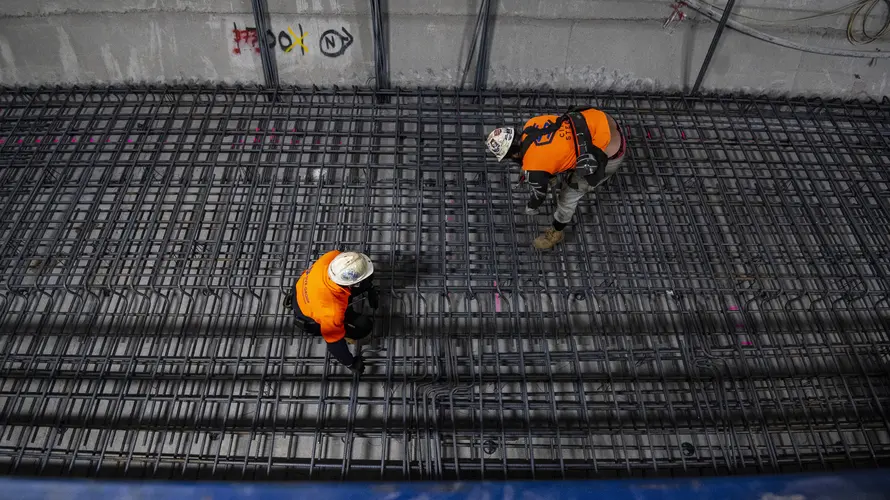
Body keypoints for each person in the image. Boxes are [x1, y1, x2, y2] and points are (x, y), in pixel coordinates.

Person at [485, 107, 627, 250]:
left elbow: (539, 195)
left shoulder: (534, 168)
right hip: (604, 121)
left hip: (611, 154)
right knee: (564, 154)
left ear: (514, 155)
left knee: (568, 196)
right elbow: (553, 145)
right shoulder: (532, 123)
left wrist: (531, 206)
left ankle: (556, 232)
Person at [287, 250, 379, 374]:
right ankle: (343, 332)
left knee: (365, 278)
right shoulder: (332, 311)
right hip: (308, 316)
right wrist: (351, 363)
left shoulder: (333, 256)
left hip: (304, 289)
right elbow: (335, 344)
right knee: (363, 326)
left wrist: (370, 288)